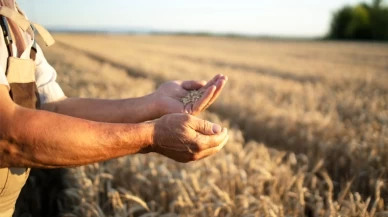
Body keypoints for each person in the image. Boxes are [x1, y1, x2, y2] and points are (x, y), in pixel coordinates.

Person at [0, 1, 229, 216]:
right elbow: (7, 134)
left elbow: (53, 108)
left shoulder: (14, 16)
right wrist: (151, 136)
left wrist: (154, 103)